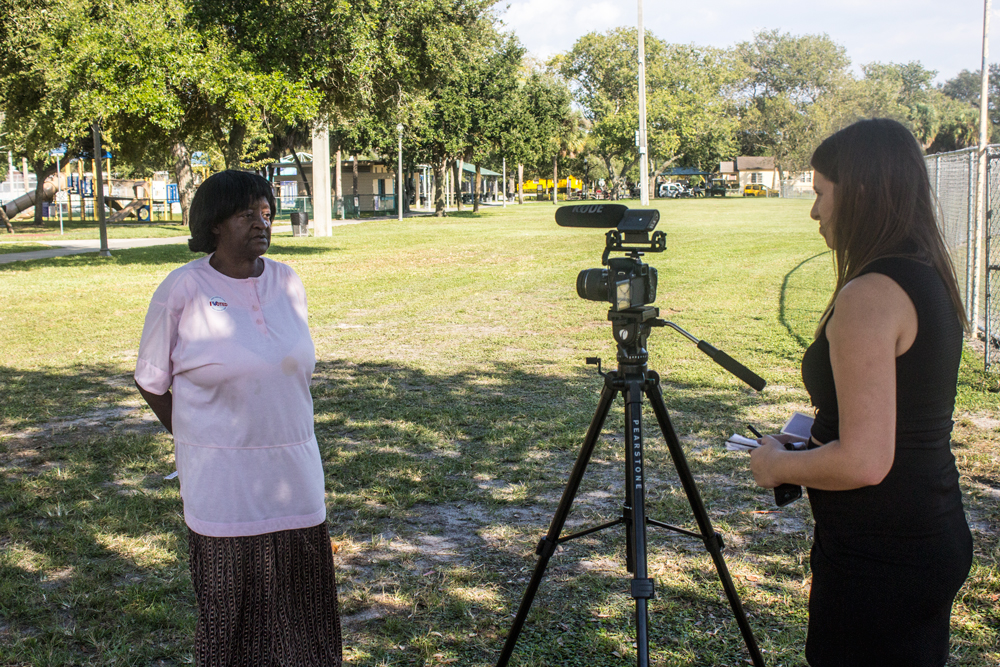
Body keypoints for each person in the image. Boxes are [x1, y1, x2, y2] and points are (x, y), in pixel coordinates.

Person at [749, 118, 973, 667]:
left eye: (821, 193)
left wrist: (776, 465)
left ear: (862, 192)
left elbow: (865, 461)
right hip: (923, 533)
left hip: (883, 555)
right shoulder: (925, 273)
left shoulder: (870, 295)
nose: (814, 210)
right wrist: (812, 435)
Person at [134, 170, 342, 666]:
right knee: (233, 612)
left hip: (296, 474)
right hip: (223, 483)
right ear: (213, 225)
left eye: (266, 211)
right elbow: (150, 379)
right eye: (246, 213)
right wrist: (196, 437)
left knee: (304, 606)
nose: (261, 221)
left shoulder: (289, 281)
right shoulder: (181, 289)